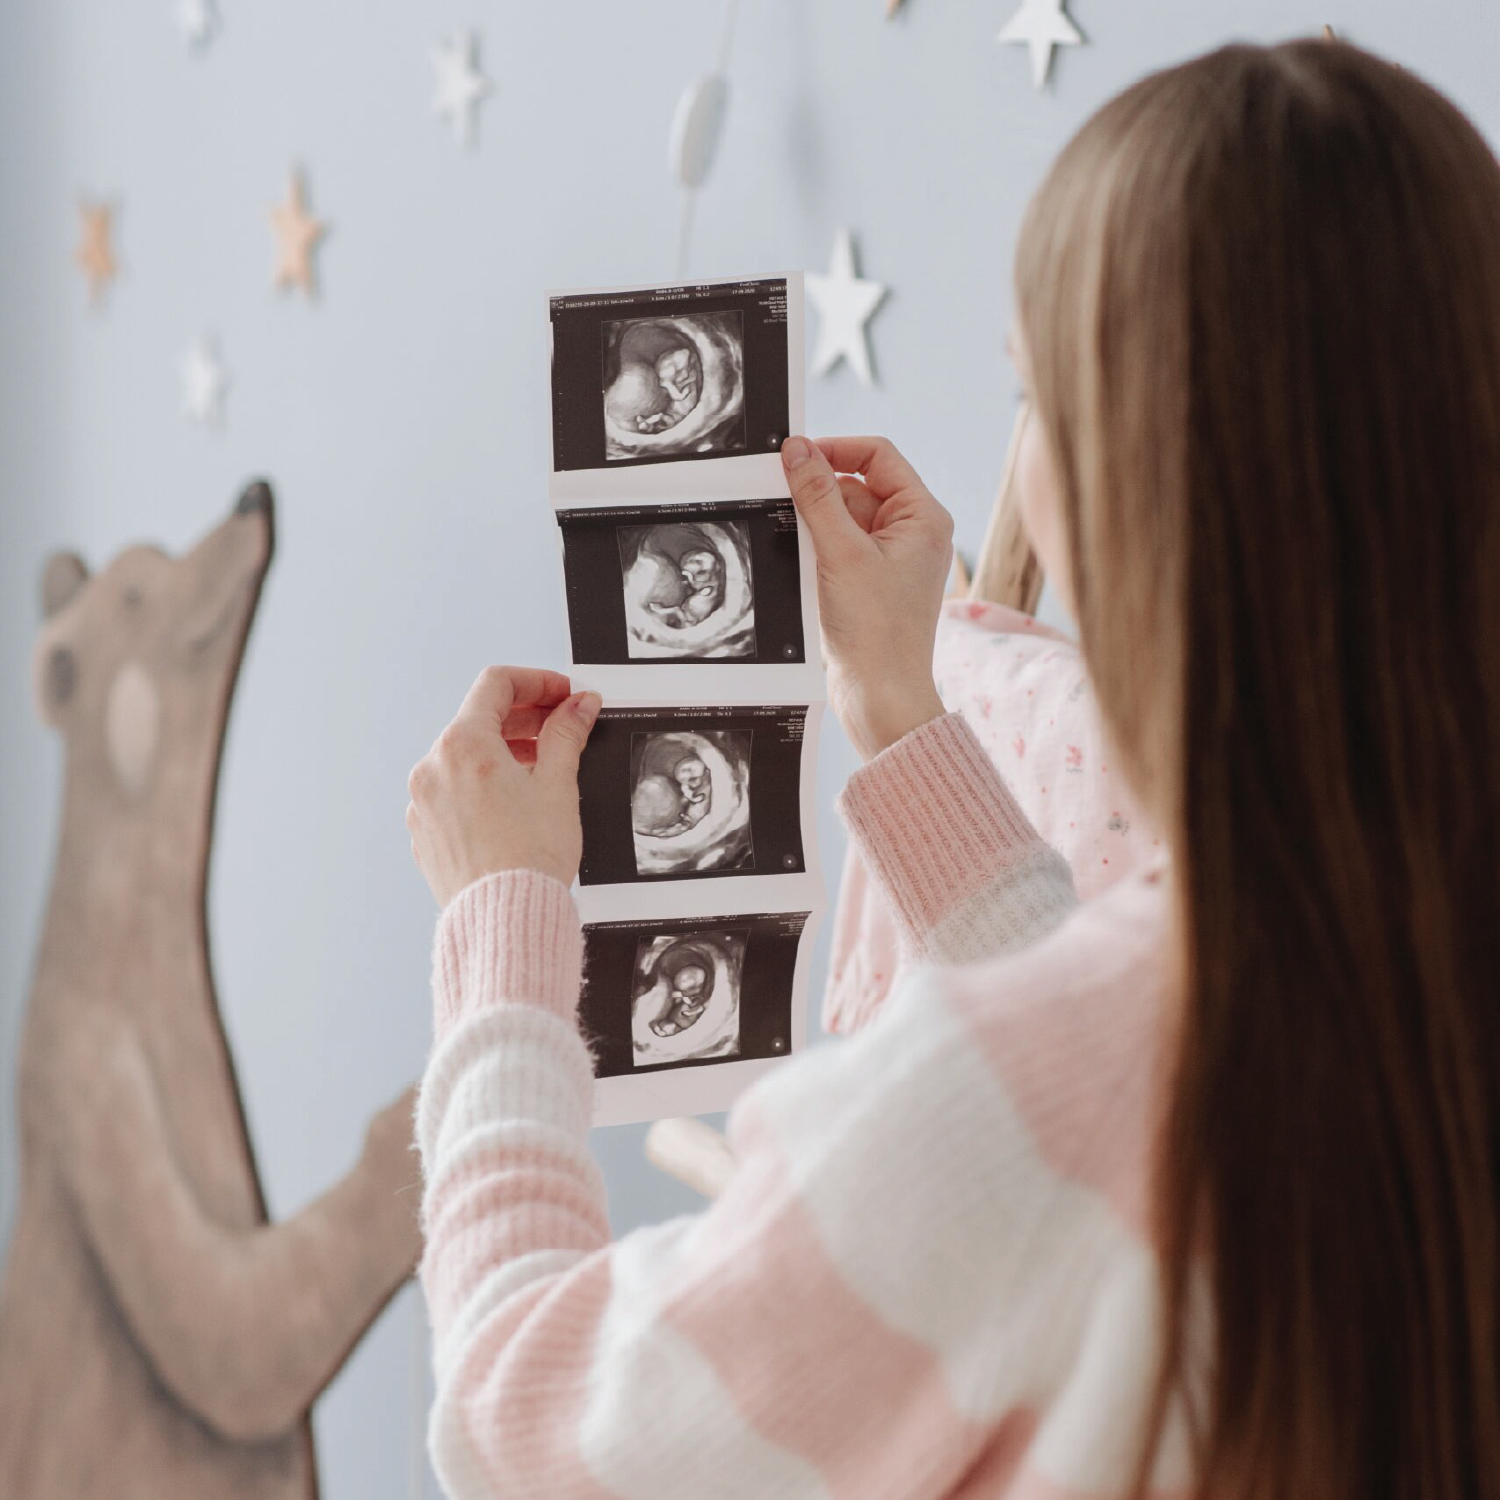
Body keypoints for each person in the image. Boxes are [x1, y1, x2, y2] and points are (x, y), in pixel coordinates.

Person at [405, 39, 1500, 1500]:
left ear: (1146, 481)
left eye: (1036, 402)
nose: (1025, 468)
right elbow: (1131, 1093)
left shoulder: (1065, 1079)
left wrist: (501, 939)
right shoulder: (1398, 974)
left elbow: (529, 1425)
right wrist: (907, 716)